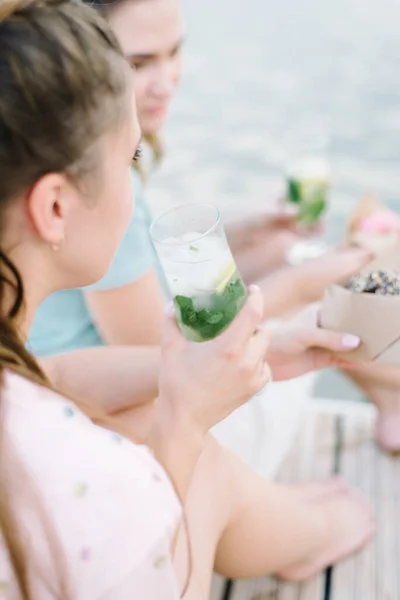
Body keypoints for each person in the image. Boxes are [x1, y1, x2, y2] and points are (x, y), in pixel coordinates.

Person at [0, 0, 375, 597]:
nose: (167, 78)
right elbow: (144, 576)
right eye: (130, 160)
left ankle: (300, 524)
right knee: (204, 472)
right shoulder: (45, 446)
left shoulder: (19, 388)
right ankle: (309, 532)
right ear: (52, 208)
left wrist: (231, 358)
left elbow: (52, 374)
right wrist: (184, 421)